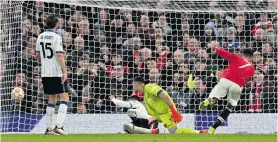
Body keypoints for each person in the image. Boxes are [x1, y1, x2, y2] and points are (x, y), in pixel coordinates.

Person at [199, 41, 255, 134]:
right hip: (237, 85)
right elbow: (246, 80)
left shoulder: (237, 57)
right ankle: (213, 128)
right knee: (229, 107)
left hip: (225, 79)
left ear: (242, 54)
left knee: (214, 98)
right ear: (251, 58)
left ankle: (210, 100)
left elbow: (225, 54)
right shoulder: (252, 68)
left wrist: (215, 48)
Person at [132, 76, 208, 134]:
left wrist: (173, 110)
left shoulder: (149, 87)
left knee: (174, 130)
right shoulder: (145, 97)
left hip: (168, 112)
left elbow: (164, 95)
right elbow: (155, 116)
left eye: (134, 83)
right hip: (163, 115)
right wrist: (154, 129)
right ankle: (199, 132)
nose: (133, 86)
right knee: (173, 131)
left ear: (141, 84)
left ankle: (199, 132)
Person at [35, 15, 69, 135]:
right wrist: (64, 71)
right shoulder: (56, 37)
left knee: (52, 98)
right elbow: (59, 55)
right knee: (65, 98)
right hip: (56, 72)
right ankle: (59, 127)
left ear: (46, 24)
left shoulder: (40, 36)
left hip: (45, 72)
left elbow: (37, 56)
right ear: (57, 24)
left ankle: (49, 129)